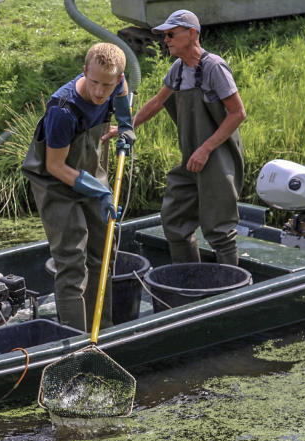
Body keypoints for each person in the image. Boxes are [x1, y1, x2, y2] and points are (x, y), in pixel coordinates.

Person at [105, 9, 246, 265]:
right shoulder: (179, 70)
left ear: (192, 34)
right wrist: (127, 127)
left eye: (171, 34)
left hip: (218, 158)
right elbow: (158, 102)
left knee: (219, 231)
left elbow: (238, 113)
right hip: (190, 159)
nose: (165, 39)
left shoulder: (214, 67)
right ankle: (188, 280)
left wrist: (206, 148)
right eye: (163, 35)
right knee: (174, 223)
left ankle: (229, 293)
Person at [22, 43, 135, 332]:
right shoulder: (63, 110)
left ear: (118, 78)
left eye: (107, 85)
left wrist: (125, 125)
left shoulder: (116, 84)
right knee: (72, 262)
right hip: (56, 185)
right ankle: (76, 340)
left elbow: (121, 99)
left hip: (89, 173)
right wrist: (100, 192)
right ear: (84, 71)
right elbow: (55, 166)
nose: (99, 92)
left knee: (103, 252)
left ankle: (103, 332)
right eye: (94, 82)